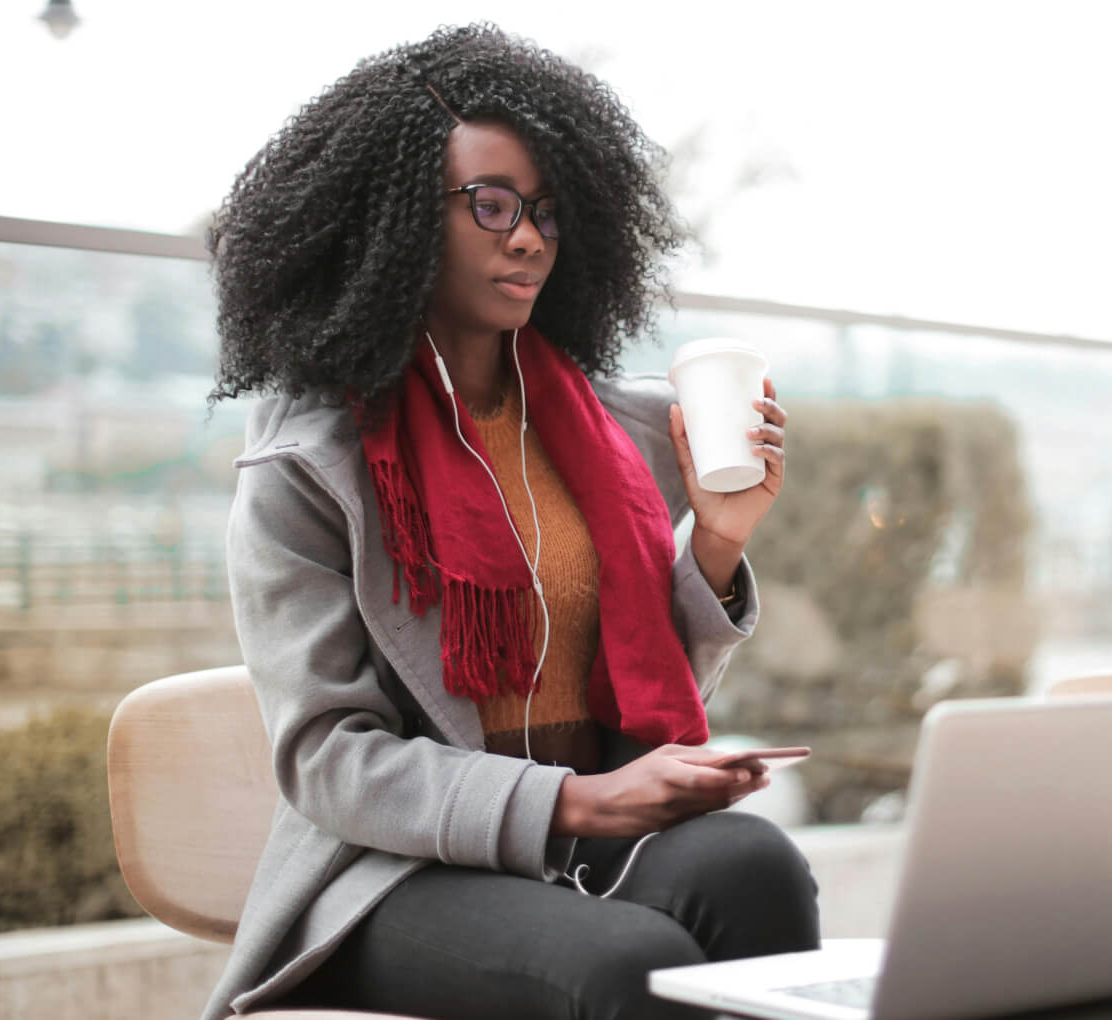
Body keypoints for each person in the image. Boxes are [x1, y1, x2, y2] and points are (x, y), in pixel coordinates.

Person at [200, 24, 819, 1020]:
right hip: (393, 872)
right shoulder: (306, 464)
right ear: (394, 219)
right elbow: (328, 761)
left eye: (544, 211)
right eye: (489, 206)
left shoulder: (614, 428)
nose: (526, 237)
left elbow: (635, 681)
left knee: (756, 866)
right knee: (627, 963)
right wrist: (576, 803)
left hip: (585, 821)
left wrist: (716, 539)